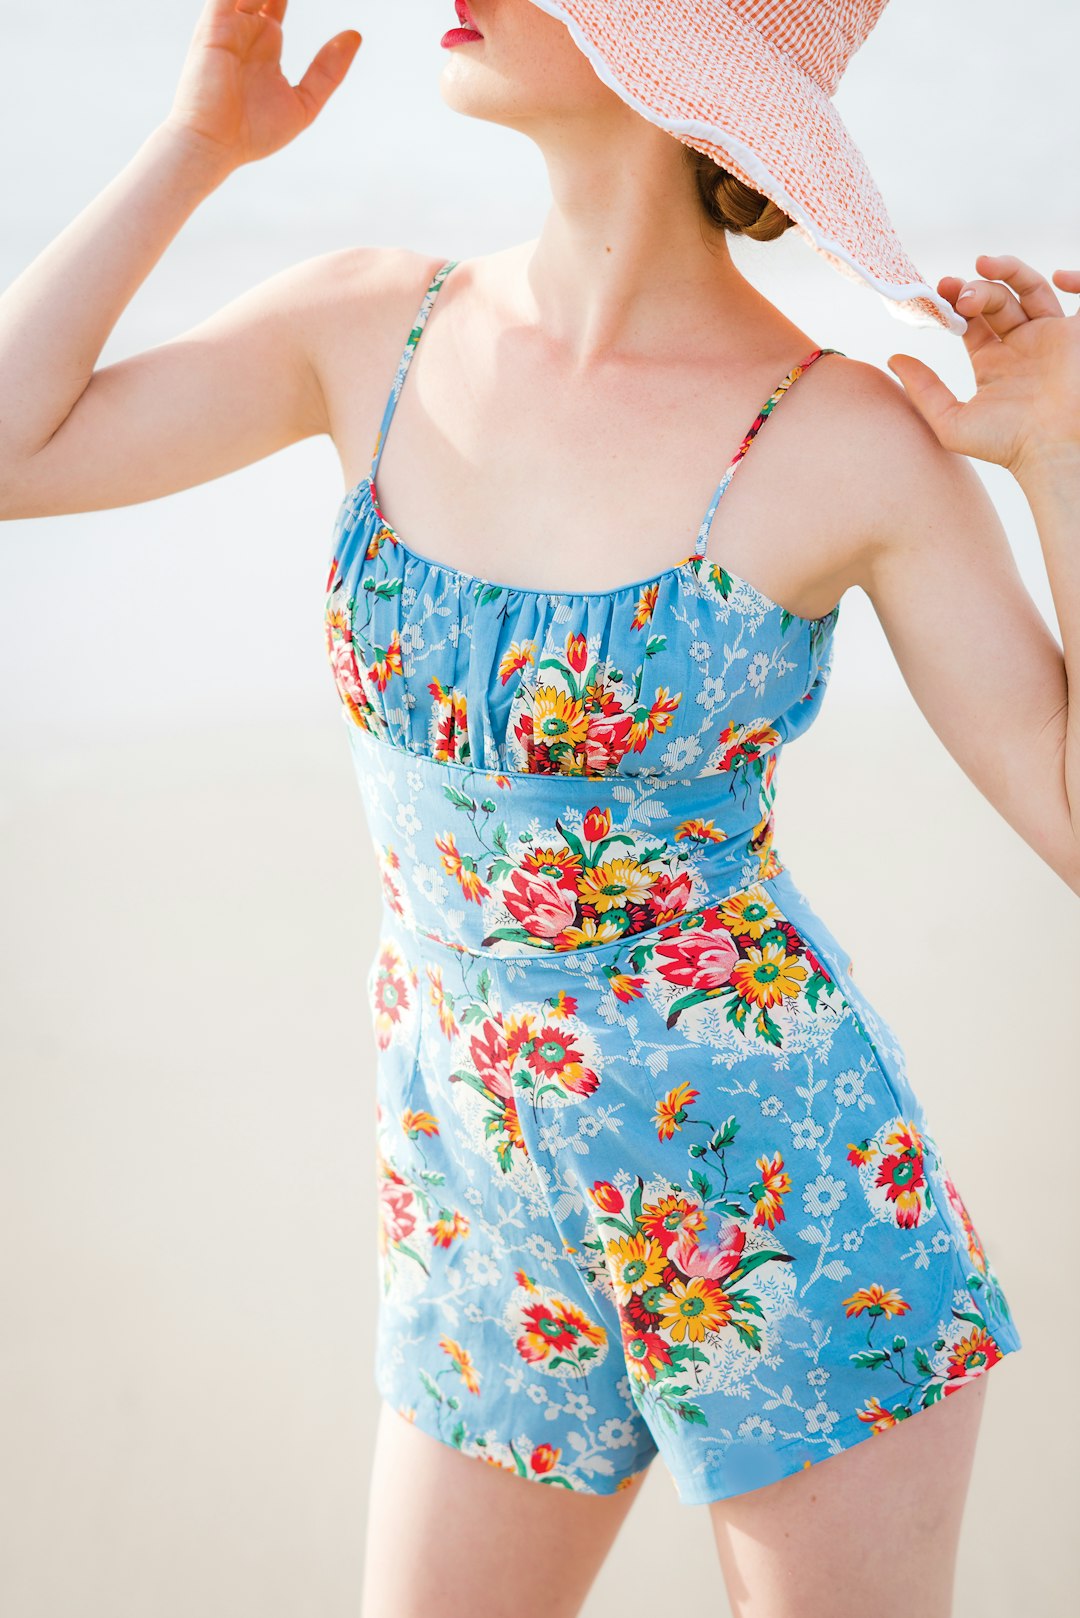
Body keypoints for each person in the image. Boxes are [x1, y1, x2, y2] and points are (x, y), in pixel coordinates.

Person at [1, 3, 1077, 1615]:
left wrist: (1059, 447)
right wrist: (195, 151)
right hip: (477, 1216)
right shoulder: (374, 329)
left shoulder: (844, 434)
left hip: (784, 1219)